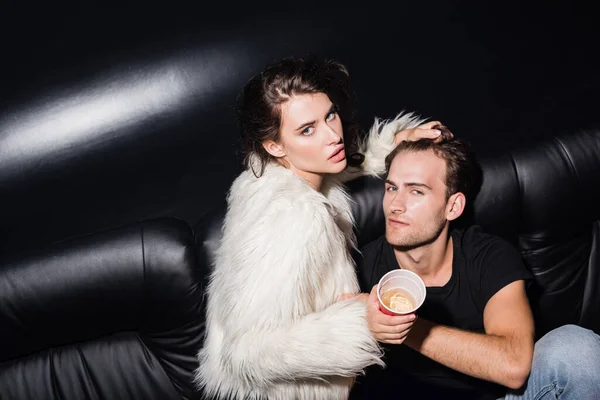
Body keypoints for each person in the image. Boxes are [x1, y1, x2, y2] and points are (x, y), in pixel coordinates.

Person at [194, 55, 443, 400]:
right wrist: (363, 322)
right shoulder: (294, 217)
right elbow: (248, 351)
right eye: (307, 129)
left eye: (330, 115)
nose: (333, 135)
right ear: (275, 145)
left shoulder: (270, 177)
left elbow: (342, 163)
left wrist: (398, 141)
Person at [350, 127, 600, 399]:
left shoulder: (488, 255)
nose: (395, 204)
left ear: (453, 207)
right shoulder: (359, 266)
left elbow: (513, 365)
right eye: (392, 187)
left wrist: (404, 328)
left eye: (416, 192)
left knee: (577, 348)